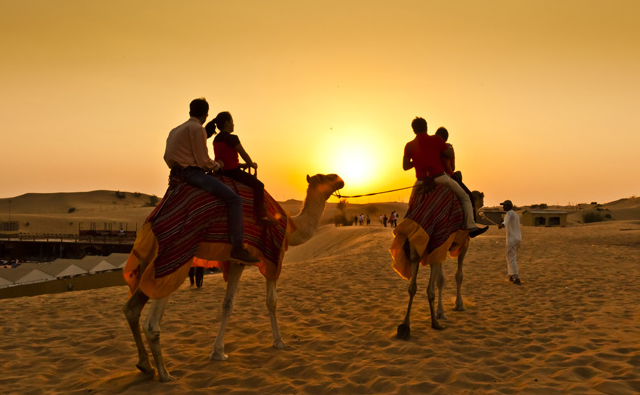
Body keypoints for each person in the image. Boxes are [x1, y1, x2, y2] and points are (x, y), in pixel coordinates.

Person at [163, 98, 259, 263]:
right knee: (234, 200)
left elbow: (168, 156)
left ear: (190, 111)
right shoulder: (196, 129)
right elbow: (203, 162)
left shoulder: (175, 130)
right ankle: (238, 247)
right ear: (206, 114)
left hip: (175, 174)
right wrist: (217, 165)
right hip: (192, 174)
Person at [402, 117, 488, 238]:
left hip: (421, 181)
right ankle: (471, 226)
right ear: (426, 127)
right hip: (439, 177)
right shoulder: (436, 140)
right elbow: (450, 154)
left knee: (411, 205)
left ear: (413, 130)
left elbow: (405, 166)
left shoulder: (409, 146)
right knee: (465, 197)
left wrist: (417, 160)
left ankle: (405, 227)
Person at [206, 111, 273, 226]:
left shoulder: (216, 139)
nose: (233, 125)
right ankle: (262, 216)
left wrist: (242, 165)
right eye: (232, 122)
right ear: (227, 123)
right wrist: (252, 164)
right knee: (259, 185)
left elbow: (225, 158)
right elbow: (244, 154)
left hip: (221, 171)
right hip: (233, 172)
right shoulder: (232, 138)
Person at [434, 126, 477, 221]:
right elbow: (452, 167)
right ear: (445, 138)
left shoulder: (430, 149)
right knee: (467, 196)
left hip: (429, 178)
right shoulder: (448, 148)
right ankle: (471, 224)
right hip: (446, 177)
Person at [498, 200, 522, 285]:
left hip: (512, 239)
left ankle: (516, 277)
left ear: (509, 206)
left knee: (511, 257)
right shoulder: (516, 214)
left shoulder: (509, 213)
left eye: (504, 205)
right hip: (518, 238)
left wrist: (502, 225)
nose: (503, 207)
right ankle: (511, 275)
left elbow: (506, 221)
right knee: (509, 256)